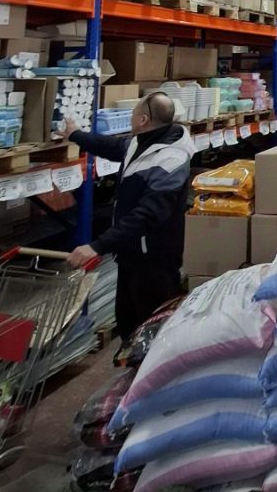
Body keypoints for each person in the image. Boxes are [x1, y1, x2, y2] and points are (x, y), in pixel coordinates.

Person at [65, 91, 195, 341]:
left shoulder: (171, 159)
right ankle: (130, 361)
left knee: (153, 331)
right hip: (131, 254)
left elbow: (148, 214)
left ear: (143, 119)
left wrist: (97, 246)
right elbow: (114, 148)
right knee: (128, 324)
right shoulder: (142, 141)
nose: (131, 118)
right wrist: (75, 135)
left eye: (133, 114)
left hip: (155, 261)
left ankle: (151, 365)